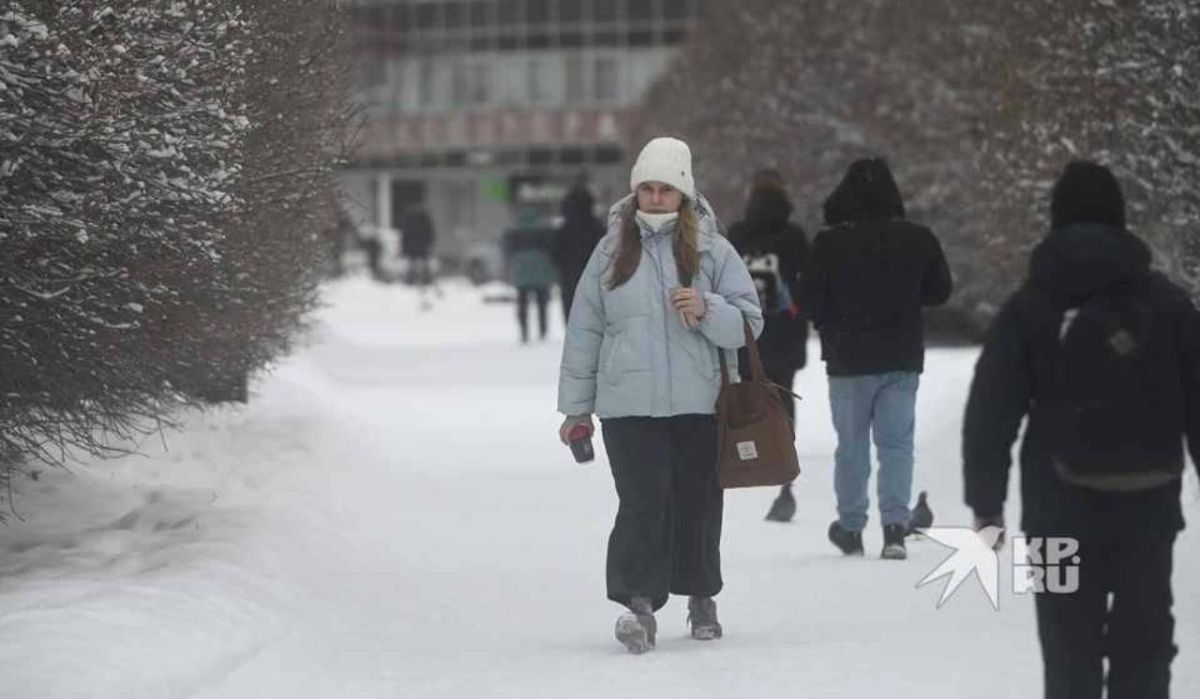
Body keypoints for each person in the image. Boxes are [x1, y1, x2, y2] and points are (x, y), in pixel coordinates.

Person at [963, 160, 1199, 699]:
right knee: (1145, 639)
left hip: (1053, 507)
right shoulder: (1168, 306)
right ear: (1121, 219)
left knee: (1067, 644)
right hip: (1149, 504)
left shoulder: (1028, 307)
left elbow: (991, 410)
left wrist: (986, 505)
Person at [557, 136, 763, 654]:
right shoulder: (611, 251)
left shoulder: (715, 250)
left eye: (664, 190)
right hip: (628, 407)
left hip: (701, 404)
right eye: (646, 189)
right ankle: (638, 605)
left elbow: (750, 326)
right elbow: (585, 330)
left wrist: (708, 308)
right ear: (635, 193)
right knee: (642, 503)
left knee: (698, 502)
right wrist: (576, 410)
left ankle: (701, 597)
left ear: (684, 193)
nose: (654, 198)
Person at [806, 157, 952, 560]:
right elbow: (940, 291)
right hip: (901, 356)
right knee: (896, 444)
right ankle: (894, 527)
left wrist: (832, 321)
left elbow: (809, 298)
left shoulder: (829, 243)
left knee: (851, 446)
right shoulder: (918, 239)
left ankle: (851, 527)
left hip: (848, 359)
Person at [727, 169, 812, 523]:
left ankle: (751, 448)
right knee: (783, 389)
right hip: (786, 328)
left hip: (747, 330)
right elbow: (807, 280)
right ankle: (783, 445)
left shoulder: (737, 234)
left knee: (749, 389)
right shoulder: (794, 237)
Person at [502, 205, 558, 343]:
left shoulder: (514, 231)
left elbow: (508, 250)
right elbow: (552, 250)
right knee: (542, 304)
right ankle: (543, 330)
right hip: (541, 273)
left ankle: (524, 331)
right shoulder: (544, 230)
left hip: (521, 274)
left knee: (522, 304)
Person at [552, 181, 605, 324]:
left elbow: (555, 253)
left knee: (571, 313)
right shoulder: (598, 228)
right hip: (594, 275)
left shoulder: (563, 230)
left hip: (569, 275)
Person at [400, 204, 437, 306]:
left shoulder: (409, 220)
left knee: (413, 266)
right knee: (423, 266)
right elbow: (431, 234)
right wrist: (430, 246)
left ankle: (412, 281)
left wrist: (404, 250)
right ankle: (424, 281)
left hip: (412, 248)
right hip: (422, 248)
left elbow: (405, 236)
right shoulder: (425, 220)